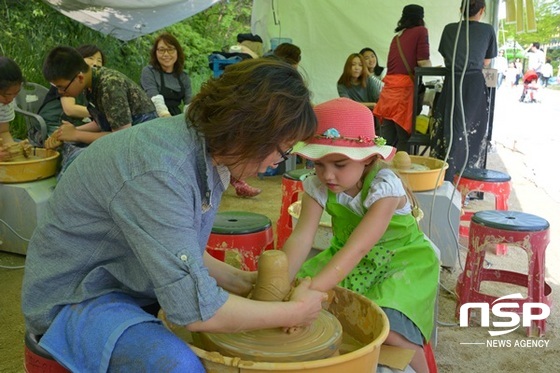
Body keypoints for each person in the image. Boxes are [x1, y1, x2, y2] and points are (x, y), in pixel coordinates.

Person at [21, 58, 326, 372]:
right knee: (179, 364)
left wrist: (241, 281)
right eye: (282, 151)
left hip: (126, 279)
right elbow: (198, 313)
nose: (276, 163)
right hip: (75, 299)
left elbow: (176, 246)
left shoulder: (208, 149)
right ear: (250, 130)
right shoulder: (162, 170)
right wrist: (295, 313)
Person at [284, 98, 439, 373]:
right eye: (319, 164)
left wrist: (312, 292)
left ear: (368, 158)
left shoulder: (385, 187)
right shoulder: (316, 185)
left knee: (389, 329)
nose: (327, 175)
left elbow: (358, 247)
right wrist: (280, 285)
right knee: (302, 297)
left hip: (401, 261)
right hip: (347, 257)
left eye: (340, 164)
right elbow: (302, 238)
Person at [42, 46, 157, 177]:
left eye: (61, 88)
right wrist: (67, 133)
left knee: (80, 162)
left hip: (141, 140)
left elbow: (121, 138)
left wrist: (76, 135)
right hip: (125, 135)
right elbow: (102, 122)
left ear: (79, 78)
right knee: (68, 146)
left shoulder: (110, 85)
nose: (60, 92)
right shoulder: (90, 83)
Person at [430, 0, 497, 181]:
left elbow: (446, 56)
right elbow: (486, 61)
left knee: (449, 127)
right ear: (482, 10)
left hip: (453, 81)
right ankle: (463, 178)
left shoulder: (449, 29)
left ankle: (444, 176)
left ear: (461, 9)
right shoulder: (488, 30)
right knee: (470, 130)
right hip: (473, 83)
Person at [373, 4, 431, 151]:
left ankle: (382, 171)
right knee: (404, 142)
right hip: (403, 94)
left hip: (388, 94)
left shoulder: (396, 38)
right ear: (421, 18)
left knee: (386, 143)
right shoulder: (421, 31)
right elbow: (423, 62)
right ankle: (401, 173)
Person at [34, 45, 105, 147]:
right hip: (52, 124)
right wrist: (100, 114)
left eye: (99, 60)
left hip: (71, 126)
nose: (95, 63)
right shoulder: (65, 79)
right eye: (91, 58)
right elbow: (70, 109)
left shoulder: (95, 85)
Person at [141, 32, 192, 117]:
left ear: (177, 52)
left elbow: (189, 103)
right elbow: (154, 97)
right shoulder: (149, 71)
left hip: (175, 115)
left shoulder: (184, 76)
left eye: (170, 49)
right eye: (161, 50)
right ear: (155, 53)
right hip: (152, 115)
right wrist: (166, 117)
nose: (166, 54)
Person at [0, 56, 25, 161]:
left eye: (15, 94)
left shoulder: (6, 102)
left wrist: (14, 149)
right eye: (6, 95)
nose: (10, 99)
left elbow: (3, 132)